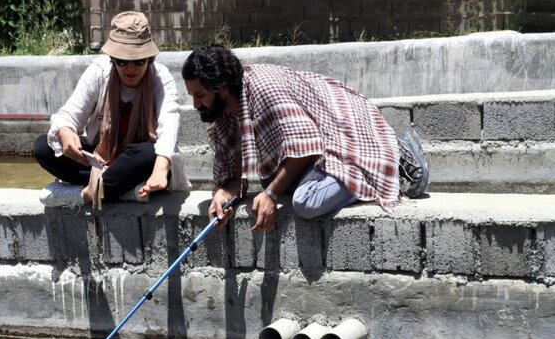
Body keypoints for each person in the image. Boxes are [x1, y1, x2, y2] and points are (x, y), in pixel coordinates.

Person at [181, 44, 428, 231]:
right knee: (270, 181)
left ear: (221, 87)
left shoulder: (264, 89)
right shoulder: (225, 114)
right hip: (316, 145)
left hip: (343, 134)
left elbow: (307, 147)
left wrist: (271, 196)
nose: (195, 105)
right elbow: (237, 178)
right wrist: (223, 195)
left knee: (305, 201)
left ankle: (393, 161)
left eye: (200, 95)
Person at [34, 11, 189, 210]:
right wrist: (66, 133)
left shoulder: (160, 77)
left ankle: (86, 194)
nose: (130, 68)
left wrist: (160, 169)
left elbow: (169, 123)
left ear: (149, 59)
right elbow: (68, 115)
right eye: (122, 61)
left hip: (140, 163)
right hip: (101, 160)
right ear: (113, 59)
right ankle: (119, 191)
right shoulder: (99, 71)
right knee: (43, 148)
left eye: (138, 61)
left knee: (150, 154)